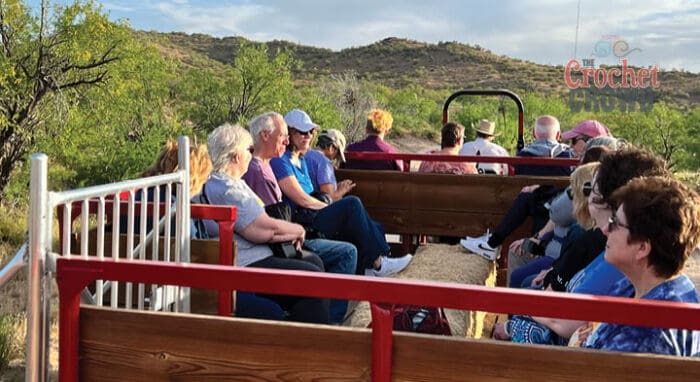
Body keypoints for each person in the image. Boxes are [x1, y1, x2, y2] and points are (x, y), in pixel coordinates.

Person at [492, 147, 669, 344]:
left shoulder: (615, 262)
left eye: (616, 222)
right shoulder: (636, 272)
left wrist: (525, 304)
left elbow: (567, 321)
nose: (604, 230)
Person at [195, 122, 330, 324]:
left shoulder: (212, 183)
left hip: (245, 257)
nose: (251, 154)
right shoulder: (228, 189)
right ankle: (307, 342)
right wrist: (297, 230)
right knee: (315, 281)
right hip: (246, 263)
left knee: (314, 263)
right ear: (236, 156)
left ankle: (312, 329)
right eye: (249, 150)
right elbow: (263, 230)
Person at [242, 111, 358, 323]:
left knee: (327, 254)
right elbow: (266, 222)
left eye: (311, 132)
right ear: (265, 136)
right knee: (343, 249)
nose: (307, 136)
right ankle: (328, 321)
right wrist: (297, 231)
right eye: (284, 136)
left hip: (288, 232)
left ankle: (325, 317)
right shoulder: (261, 169)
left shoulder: (285, 163)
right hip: (280, 239)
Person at [270, 109, 413, 276]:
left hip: (311, 215)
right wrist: (329, 204)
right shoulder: (282, 161)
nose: (308, 136)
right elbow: (301, 199)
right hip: (303, 222)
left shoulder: (301, 159)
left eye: (310, 131)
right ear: (290, 133)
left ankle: (370, 266)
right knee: (352, 204)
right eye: (302, 132)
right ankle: (378, 263)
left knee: (372, 225)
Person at [581, 176, 700, 355]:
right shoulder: (646, 285)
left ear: (642, 248)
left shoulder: (647, 335)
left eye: (615, 222)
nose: (606, 229)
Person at [304, 129, 356, 201]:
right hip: (318, 207)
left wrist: (337, 187)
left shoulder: (304, 154)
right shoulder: (324, 163)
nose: (335, 158)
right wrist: (343, 190)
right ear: (331, 147)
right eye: (337, 154)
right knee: (353, 201)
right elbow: (328, 198)